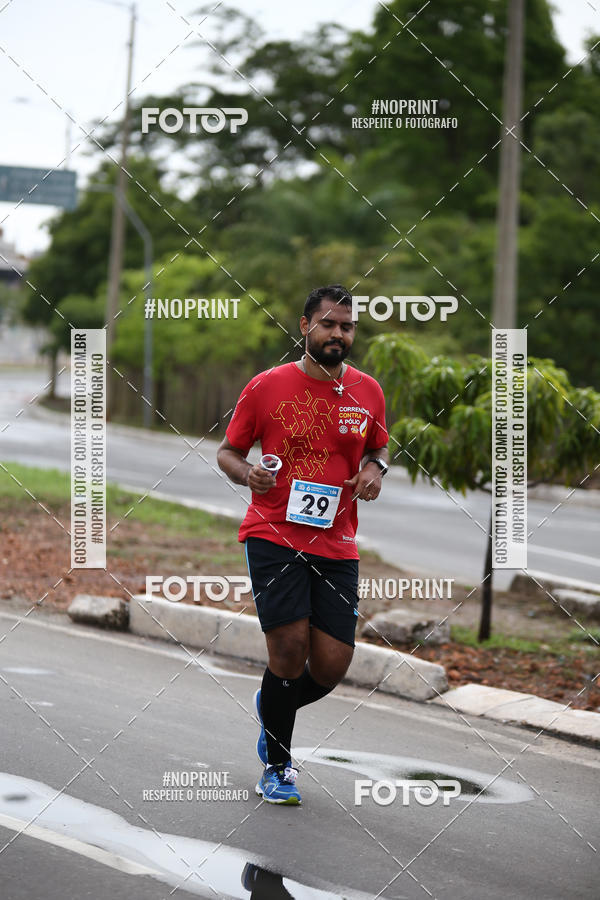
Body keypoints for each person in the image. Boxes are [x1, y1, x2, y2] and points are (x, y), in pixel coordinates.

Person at [216, 284, 389, 805]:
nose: (339, 334)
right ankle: (278, 764)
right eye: (329, 324)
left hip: (337, 543)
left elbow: (378, 448)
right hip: (274, 533)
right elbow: (228, 451)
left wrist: (374, 470)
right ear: (304, 326)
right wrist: (248, 474)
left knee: (331, 666)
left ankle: (272, 702)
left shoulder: (368, 391)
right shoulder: (266, 386)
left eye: (348, 326)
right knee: (288, 650)